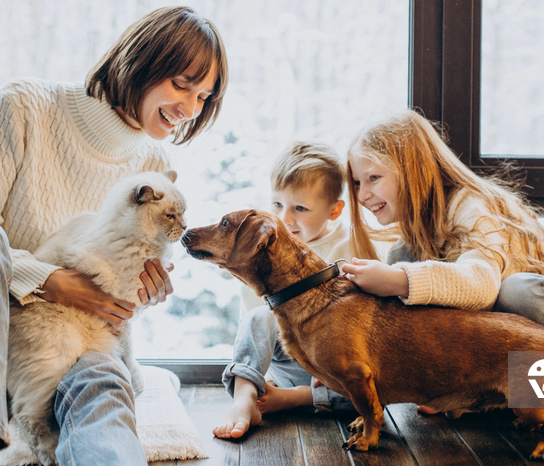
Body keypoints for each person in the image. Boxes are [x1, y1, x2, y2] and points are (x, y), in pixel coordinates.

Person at [340, 109, 544, 437]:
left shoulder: (471, 206)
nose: (363, 194)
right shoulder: (407, 246)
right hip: (514, 351)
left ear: (413, 170)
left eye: (373, 178)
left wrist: (398, 280)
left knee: (516, 289)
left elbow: (483, 285)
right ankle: (475, 397)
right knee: (407, 273)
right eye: (356, 182)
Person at [0, 6, 228, 464]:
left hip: (79, 345)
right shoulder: (24, 108)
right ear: (140, 60)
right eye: (181, 83)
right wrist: (50, 280)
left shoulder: (156, 169)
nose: (188, 108)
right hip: (10, 329)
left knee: (102, 387)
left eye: (203, 96)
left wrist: (140, 295)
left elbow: (111, 307)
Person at [212, 142, 356, 440]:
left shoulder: (350, 247)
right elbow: (252, 326)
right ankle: (245, 398)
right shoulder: (264, 245)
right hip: (286, 363)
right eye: (277, 205)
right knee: (259, 317)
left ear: (334, 210)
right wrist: (259, 375)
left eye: (300, 208)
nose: (286, 218)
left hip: (331, 372)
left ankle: (295, 398)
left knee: (366, 392)